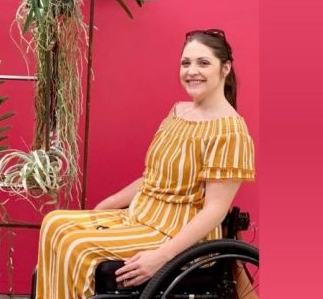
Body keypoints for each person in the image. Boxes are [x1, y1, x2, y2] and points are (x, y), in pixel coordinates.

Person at [35, 29, 255, 298]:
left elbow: (214, 212)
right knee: (54, 223)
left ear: (225, 68)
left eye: (203, 63)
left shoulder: (230, 131)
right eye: (186, 63)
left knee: (75, 245)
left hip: (175, 233)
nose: (191, 71)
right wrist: (109, 204)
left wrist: (161, 257)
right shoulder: (178, 112)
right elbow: (153, 177)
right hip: (140, 215)